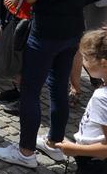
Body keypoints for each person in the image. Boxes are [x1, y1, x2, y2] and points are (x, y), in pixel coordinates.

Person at [0, 0, 103, 169]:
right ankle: (53, 144)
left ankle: (26, 151)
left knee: (30, 91)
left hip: (46, 33)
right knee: (58, 88)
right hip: (72, 32)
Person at [52, 29, 107, 173]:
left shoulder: (102, 97)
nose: (83, 62)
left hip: (93, 161)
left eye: (86, 59)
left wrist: (75, 149)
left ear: (104, 64)